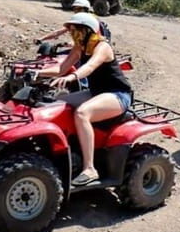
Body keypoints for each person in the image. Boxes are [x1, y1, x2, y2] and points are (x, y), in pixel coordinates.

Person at [38, 13, 132, 186]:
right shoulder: (80, 46)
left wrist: (72, 77)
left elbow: (90, 66)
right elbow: (60, 68)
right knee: (57, 104)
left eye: (77, 30)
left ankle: (90, 168)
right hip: (96, 92)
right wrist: (37, 73)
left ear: (88, 30)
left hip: (117, 95)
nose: (74, 34)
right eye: (72, 30)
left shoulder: (102, 46)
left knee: (82, 113)